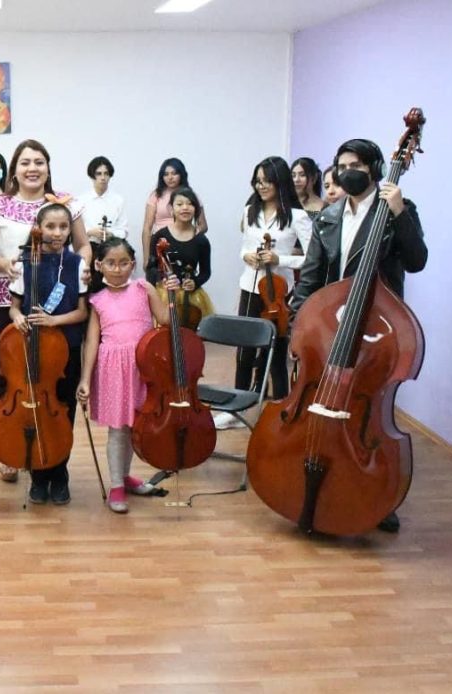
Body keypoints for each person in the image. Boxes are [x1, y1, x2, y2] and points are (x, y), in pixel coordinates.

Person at [290, 138, 427, 534]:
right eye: (341, 163)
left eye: (355, 164)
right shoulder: (329, 217)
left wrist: (399, 212)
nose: (347, 170)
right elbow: (312, 277)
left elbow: (417, 261)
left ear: (374, 168)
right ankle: (310, 471)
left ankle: (378, 496)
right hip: (329, 325)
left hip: (374, 329)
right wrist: (300, 325)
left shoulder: (397, 209)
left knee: (370, 410)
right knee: (319, 401)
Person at [0, 138, 92, 483]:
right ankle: (11, 444)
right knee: (9, 372)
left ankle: (52, 450)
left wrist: (83, 267)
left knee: (55, 373)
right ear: (14, 169)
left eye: (39, 162)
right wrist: (8, 267)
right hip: (9, 300)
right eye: (25, 162)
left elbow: (83, 244)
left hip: (59, 301)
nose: (32, 168)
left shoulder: (65, 205)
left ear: (48, 167)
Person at [77, 238, 174, 512]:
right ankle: (116, 484)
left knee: (135, 426)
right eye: (110, 263)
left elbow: (165, 320)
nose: (117, 269)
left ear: (132, 264)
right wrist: (85, 379)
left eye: (123, 263)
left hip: (143, 366)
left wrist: (173, 294)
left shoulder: (144, 288)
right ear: (99, 265)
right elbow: (92, 343)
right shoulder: (97, 300)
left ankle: (127, 476)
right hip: (112, 371)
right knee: (118, 430)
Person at [220, 157, 313, 430]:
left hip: (279, 293)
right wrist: (247, 255)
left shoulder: (298, 217)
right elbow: (243, 247)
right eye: (257, 181)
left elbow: (311, 258)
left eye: (267, 180)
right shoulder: (250, 210)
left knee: (277, 350)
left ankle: (282, 408)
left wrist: (279, 259)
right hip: (250, 286)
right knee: (244, 350)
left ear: (279, 181)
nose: (261, 186)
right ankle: (236, 410)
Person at [7, 201, 89, 505]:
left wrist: (54, 321)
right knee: (35, 411)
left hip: (66, 349)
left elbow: (82, 312)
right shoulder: (24, 262)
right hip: (32, 350)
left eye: (64, 227)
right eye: (51, 227)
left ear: (70, 230)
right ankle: (38, 474)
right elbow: (14, 305)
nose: (57, 233)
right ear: (38, 229)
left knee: (63, 412)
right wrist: (17, 317)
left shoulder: (78, 264)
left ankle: (60, 473)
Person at [144, 187, 215, 327]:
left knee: (191, 338)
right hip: (165, 294)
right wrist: (162, 279)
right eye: (180, 204)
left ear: (196, 209)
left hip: (191, 296)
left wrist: (195, 282)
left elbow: (206, 272)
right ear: (171, 209)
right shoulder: (160, 236)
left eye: (190, 204)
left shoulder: (201, 240)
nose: (185, 208)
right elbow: (150, 268)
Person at [141, 158, 208, 263]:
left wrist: (189, 234)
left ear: (181, 174)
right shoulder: (156, 195)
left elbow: (203, 226)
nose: (170, 178)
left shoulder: (191, 195)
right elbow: (147, 229)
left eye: (174, 173)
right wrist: (146, 258)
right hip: (161, 244)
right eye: (166, 174)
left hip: (184, 245)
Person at [80, 155, 130, 243]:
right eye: (98, 174)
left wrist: (112, 234)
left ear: (110, 176)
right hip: (89, 246)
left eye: (106, 173)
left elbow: (124, 231)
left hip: (112, 247)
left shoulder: (118, 200)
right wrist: (90, 232)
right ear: (92, 176)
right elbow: (76, 229)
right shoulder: (81, 200)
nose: (103, 178)